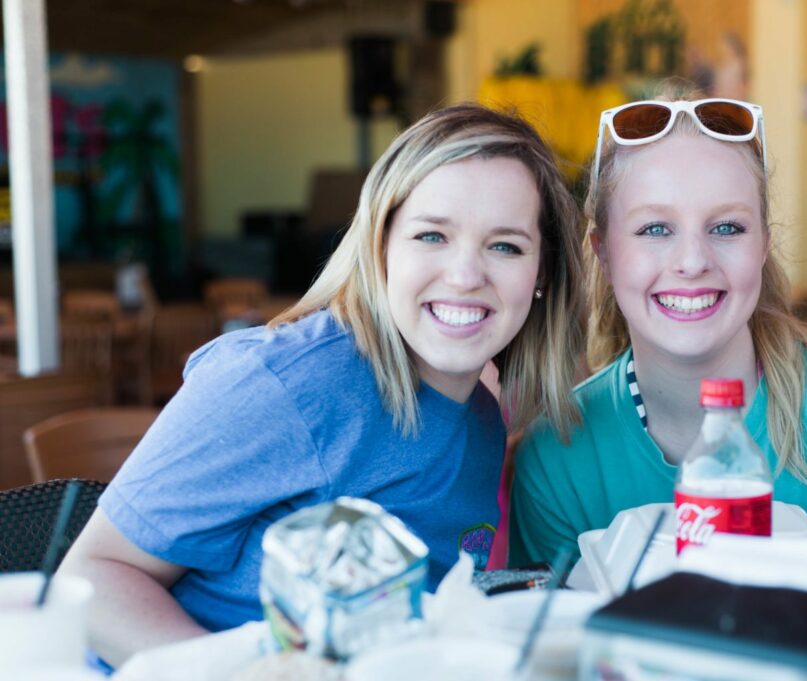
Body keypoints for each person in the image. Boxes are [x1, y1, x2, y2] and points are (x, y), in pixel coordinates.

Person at [58, 104, 585, 667]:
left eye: (505, 246)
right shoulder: (283, 384)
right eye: (432, 235)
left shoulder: (482, 419)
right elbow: (92, 579)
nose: (464, 275)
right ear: (380, 248)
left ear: (542, 274)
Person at [509, 86, 807, 585]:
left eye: (728, 228)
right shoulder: (557, 459)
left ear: (763, 246)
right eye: (654, 229)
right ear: (602, 251)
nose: (692, 262)